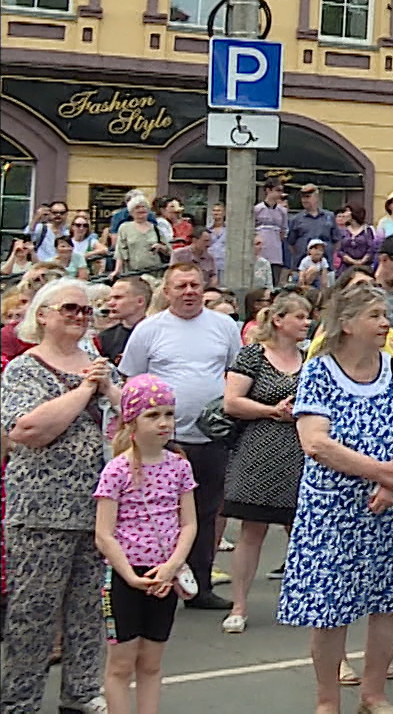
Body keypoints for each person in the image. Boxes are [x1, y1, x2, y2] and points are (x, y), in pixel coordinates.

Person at [276, 284, 393, 714]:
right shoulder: (320, 371)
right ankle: (328, 701)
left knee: (388, 600)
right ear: (346, 324)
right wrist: (380, 472)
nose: (385, 324)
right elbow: (315, 443)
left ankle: (373, 694)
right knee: (329, 606)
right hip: (333, 508)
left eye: (385, 316)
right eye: (375, 316)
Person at [2, 279, 119, 713]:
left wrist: (110, 389)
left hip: (101, 512)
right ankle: (20, 700)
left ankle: (83, 692)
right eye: (70, 308)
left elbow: (139, 421)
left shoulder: (100, 366)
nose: (79, 316)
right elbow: (27, 431)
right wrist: (86, 391)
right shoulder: (24, 369)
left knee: (89, 611)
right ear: (44, 314)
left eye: (87, 311)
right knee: (32, 613)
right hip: (41, 511)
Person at [118, 264, 243, 611]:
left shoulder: (224, 327)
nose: (188, 291)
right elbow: (131, 382)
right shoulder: (148, 330)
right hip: (163, 441)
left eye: (194, 285)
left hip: (210, 438)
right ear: (167, 292)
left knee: (205, 513)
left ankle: (199, 587)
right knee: (159, 512)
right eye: (180, 286)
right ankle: (154, 582)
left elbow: (234, 373)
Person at [93, 375, 197, 714]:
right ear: (132, 420)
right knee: (121, 664)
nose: (164, 423)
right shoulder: (116, 470)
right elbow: (104, 534)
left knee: (152, 663)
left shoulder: (179, 466)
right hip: (127, 576)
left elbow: (189, 523)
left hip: (164, 575)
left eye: (168, 414)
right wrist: (130, 575)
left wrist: (171, 566)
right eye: (153, 416)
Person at [218, 292, 311, 635]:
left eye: (307, 317)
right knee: (252, 529)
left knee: (302, 529)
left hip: (301, 449)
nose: (306, 323)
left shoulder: (311, 357)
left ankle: (305, 598)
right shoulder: (253, 356)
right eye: (299, 317)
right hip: (259, 450)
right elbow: (232, 402)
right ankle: (239, 605)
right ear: (278, 320)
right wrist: (273, 411)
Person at [95, 276, 152, 366]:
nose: (110, 303)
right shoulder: (105, 338)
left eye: (118, 297)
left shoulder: (159, 333)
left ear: (140, 301)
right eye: (110, 298)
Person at [115, 196, 168, 278]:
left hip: (155, 272)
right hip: (133, 273)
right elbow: (120, 252)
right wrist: (117, 270)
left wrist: (160, 247)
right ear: (131, 212)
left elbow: (168, 250)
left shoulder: (155, 228)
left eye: (143, 207)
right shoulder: (125, 228)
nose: (141, 210)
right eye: (137, 207)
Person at [287, 185, 338, 270]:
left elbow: (336, 241)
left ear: (316, 197)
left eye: (308, 197)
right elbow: (291, 244)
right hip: (302, 267)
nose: (304, 200)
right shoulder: (295, 219)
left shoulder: (329, 217)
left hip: (325, 267)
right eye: (302, 197)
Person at [254, 181, 290, 283]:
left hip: (276, 254)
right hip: (260, 253)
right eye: (277, 190)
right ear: (268, 190)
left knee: (274, 281)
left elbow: (284, 231)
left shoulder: (282, 211)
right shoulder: (257, 209)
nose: (280, 194)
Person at [337, 204, 377, 273]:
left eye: (346, 212)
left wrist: (362, 261)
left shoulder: (367, 230)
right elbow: (340, 250)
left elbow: (371, 249)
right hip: (345, 268)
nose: (343, 215)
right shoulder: (343, 231)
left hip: (365, 268)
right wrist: (352, 261)